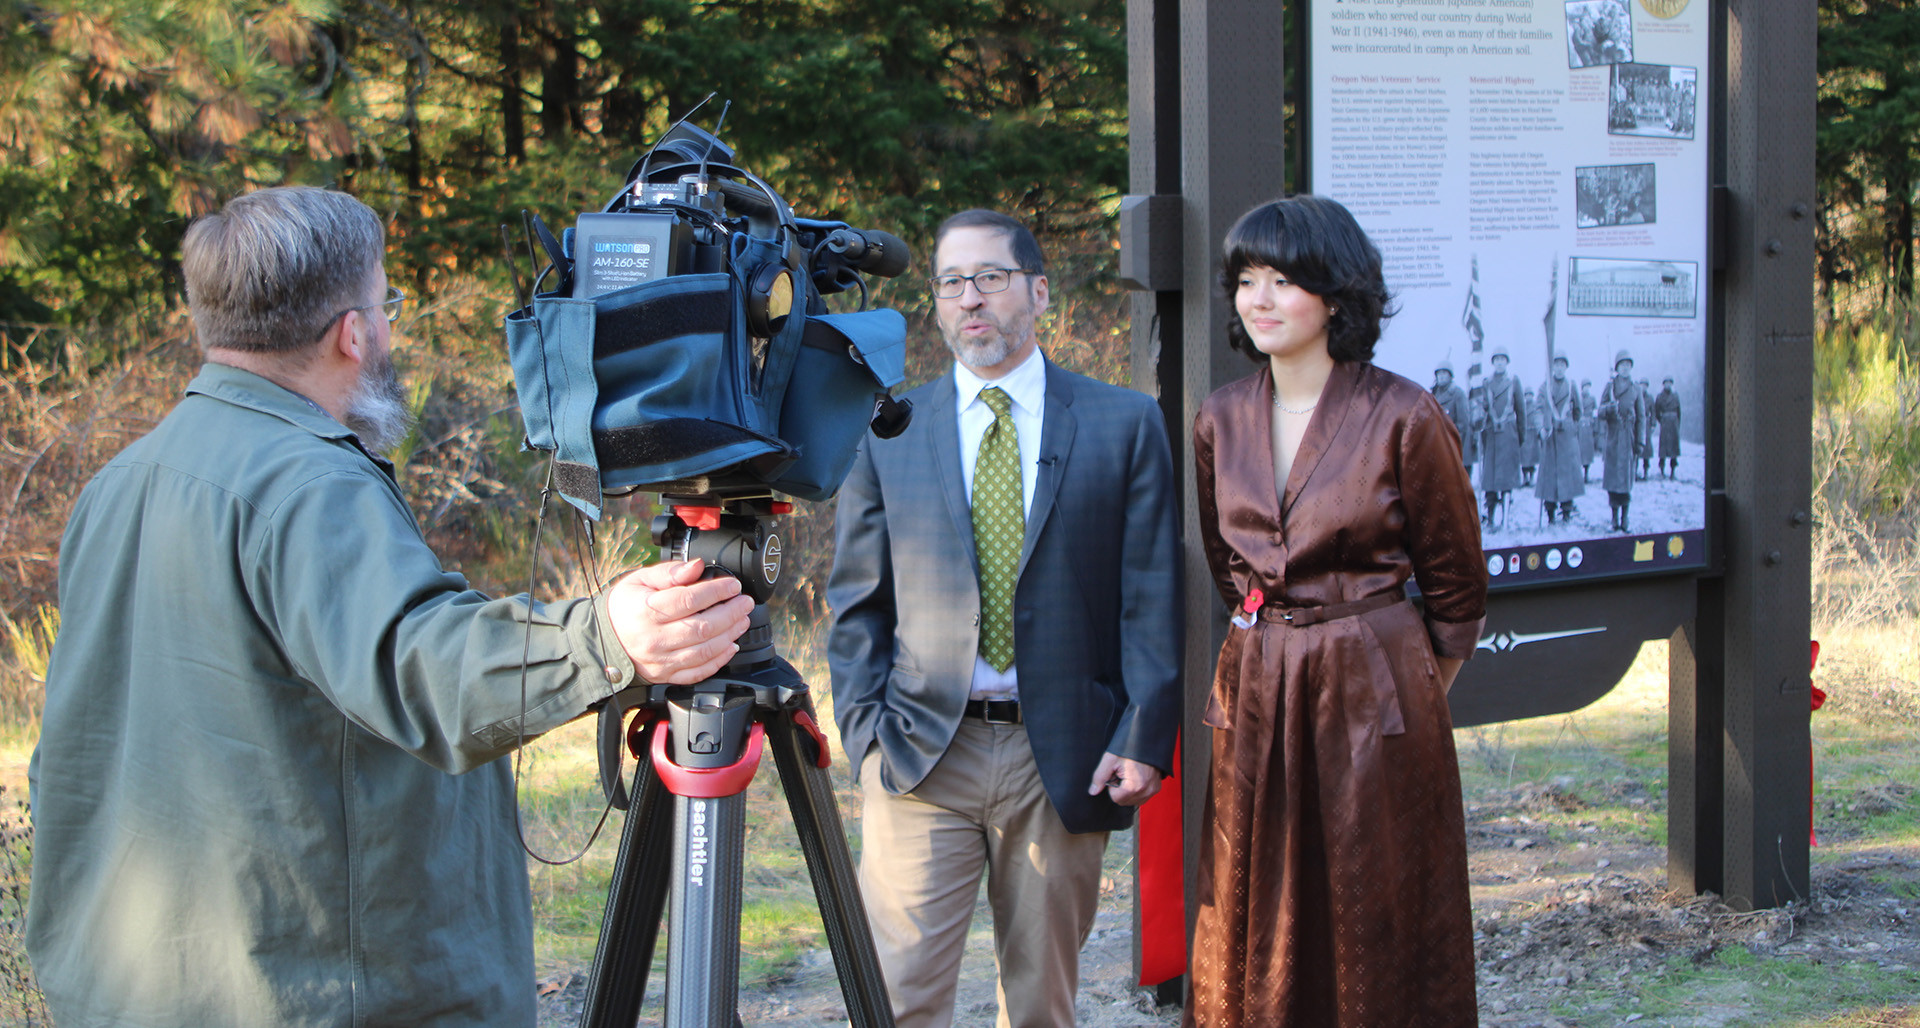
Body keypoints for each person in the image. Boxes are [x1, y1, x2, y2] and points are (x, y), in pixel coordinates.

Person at [26, 186, 755, 1028]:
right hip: (309, 991)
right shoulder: (310, 483)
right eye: (387, 305)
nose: (388, 328)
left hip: (132, 986)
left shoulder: (120, 481)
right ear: (352, 332)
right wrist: (604, 637)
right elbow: (420, 664)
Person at [826, 209, 1182, 1028]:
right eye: (951, 283)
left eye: (989, 277)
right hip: (921, 751)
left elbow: (1153, 594)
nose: (969, 298)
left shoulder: (1122, 424)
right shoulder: (890, 430)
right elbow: (857, 601)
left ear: (1039, 292)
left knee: (1039, 1004)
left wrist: (1141, 732)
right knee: (899, 998)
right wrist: (865, 736)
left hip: (1060, 755)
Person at [1186, 195, 1487, 1028]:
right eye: (1246, 279)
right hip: (1257, 680)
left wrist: (1406, 683)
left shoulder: (1403, 413)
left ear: (1336, 293)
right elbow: (1231, 567)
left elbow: (1458, 588)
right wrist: (1276, 647)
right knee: (1253, 894)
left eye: (1284, 278)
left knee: (1374, 894)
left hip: (1374, 685)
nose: (1261, 298)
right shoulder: (1220, 417)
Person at [1597, 350, 1649, 531]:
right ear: (1617, 367)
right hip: (1613, 439)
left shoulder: (1636, 389)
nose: (1625, 368)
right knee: (1613, 480)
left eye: (1628, 364)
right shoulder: (1609, 387)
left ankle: (1625, 518)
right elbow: (1600, 412)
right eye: (1622, 364)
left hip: (1628, 438)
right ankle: (1614, 519)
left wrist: (1640, 442)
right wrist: (1609, 409)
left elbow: (1642, 417)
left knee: (1626, 481)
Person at [1534, 353, 1586, 523]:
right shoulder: (1544, 387)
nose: (1559, 368)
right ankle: (1550, 513)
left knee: (1568, 476)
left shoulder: (1571, 386)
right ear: (1551, 368)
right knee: (1549, 477)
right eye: (1556, 365)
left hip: (1566, 438)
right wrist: (1541, 427)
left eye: (1562, 365)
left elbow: (1578, 411)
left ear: (1566, 367)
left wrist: (1572, 427)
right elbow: (1539, 410)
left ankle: (1566, 512)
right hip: (1550, 436)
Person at [1481, 346, 1525, 524]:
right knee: (1490, 480)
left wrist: (1521, 436)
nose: (1499, 362)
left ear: (1507, 362)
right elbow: (1482, 407)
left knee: (1506, 480)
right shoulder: (1486, 383)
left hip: (1508, 435)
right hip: (1491, 435)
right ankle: (1490, 518)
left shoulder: (1514, 381)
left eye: (1502, 359)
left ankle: (1505, 519)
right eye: (1496, 359)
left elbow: (1521, 411)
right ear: (1493, 363)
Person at [1432, 360, 1471, 472]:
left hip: (1455, 443)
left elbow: (1463, 423)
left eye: (1445, 373)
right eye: (1439, 374)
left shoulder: (1458, 394)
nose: (1442, 377)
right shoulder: (1433, 395)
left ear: (1450, 376)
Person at [1654, 376, 1682, 478]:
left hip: (1674, 424)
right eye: (1666, 383)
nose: (1668, 385)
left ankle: (1673, 471)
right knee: (1663, 448)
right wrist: (1661, 420)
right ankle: (1662, 468)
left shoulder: (1676, 396)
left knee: (1673, 448)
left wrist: (1677, 424)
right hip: (1665, 424)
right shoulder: (1659, 397)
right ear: (1663, 384)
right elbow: (1656, 411)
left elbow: (1679, 412)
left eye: (1670, 383)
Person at [1578, 377, 1599, 482]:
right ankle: (1579, 474)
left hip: (1589, 426)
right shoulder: (1578, 399)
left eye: (1588, 387)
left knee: (1588, 452)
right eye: (1585, 387)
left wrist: (1595, 426)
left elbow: (1595, 413)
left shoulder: (1592, 399)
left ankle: (1587, 474)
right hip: (1580, 427)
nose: (1586, 389)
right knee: (1580, 452)